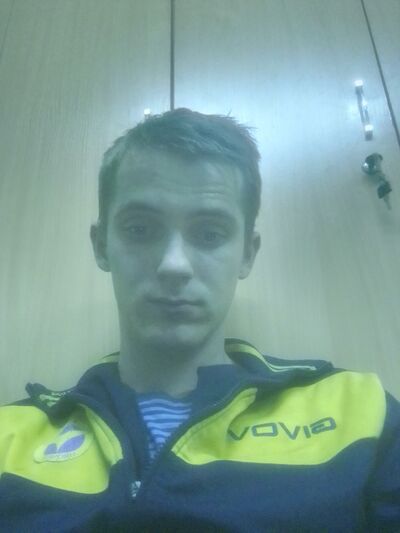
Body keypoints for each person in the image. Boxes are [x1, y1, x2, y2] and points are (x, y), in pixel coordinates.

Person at [0, 108, 399, 532]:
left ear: (247, 254)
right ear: (101, 246)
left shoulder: (359, 411)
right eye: (140, 229)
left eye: (209, 234)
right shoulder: (9, 438)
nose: (174, 265)